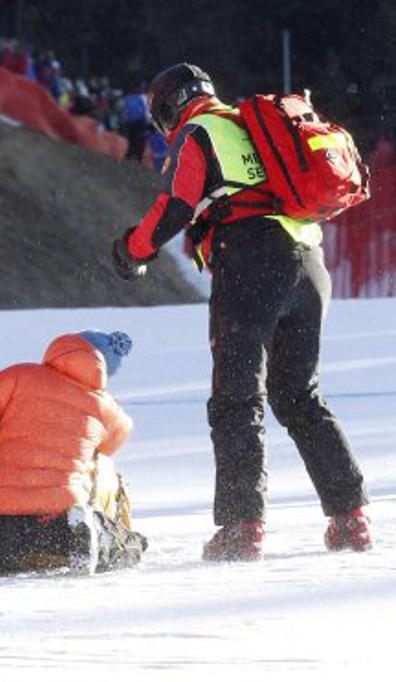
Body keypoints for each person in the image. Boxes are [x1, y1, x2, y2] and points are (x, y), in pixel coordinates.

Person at [112, 62, 372, 562]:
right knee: (301, 396)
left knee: (236, 398)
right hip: (309, 264)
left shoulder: (198, 131)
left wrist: (133, 251)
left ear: (167, 109)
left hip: (251, 262)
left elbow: (175, 207)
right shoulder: (253, 124)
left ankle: (242, 526)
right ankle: (351, 518)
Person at [0, 330, 146, 580]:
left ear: (56, 352)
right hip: (59, 518)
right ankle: (92, 531)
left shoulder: (19, 376)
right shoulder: (105, 406)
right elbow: (111, 446)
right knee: (126, 546)